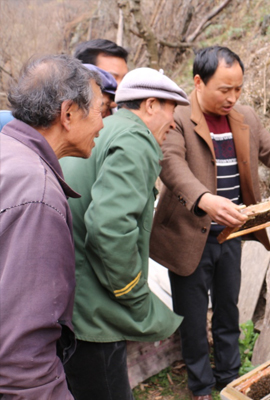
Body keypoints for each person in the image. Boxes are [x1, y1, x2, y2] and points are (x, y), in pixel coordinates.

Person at [149, 46, 270, 400]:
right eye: (225, 89)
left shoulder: (245, 118)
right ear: (198, 81)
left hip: (231, 232)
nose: (232, 97)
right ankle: (201, 387)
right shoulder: (177, 117)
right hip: (189, 234)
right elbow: (171, 165)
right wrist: (206, 200)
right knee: (192, 319)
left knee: (228, 311)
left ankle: (229, 378)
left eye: (238, 89)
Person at [60, 68, 189, 400]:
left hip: (70, 302)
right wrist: (133, 293)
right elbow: (108, 228)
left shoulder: (105, 130)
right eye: (171, 111)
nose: (174, 123)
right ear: (149, 105)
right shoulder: (135, 140)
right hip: (96, 311)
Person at [0, 55, 104, 399]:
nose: (103, 125)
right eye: (101, 111)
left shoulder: (7, 152)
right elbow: (23, 356)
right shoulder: (37, 193)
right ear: (69, 113)